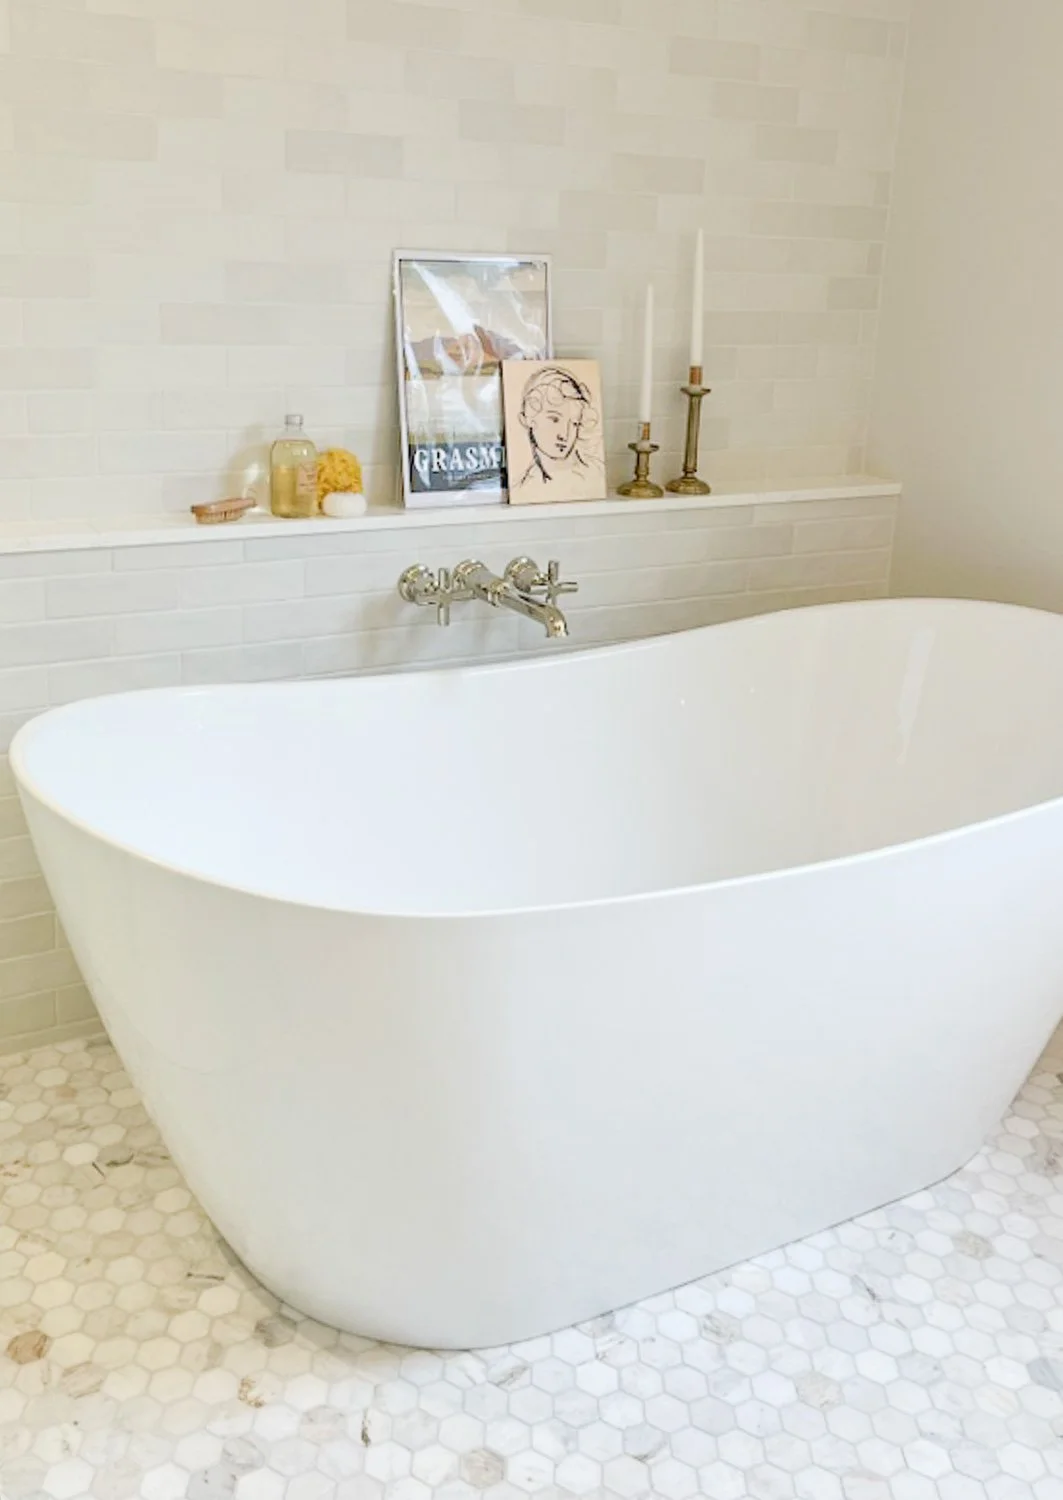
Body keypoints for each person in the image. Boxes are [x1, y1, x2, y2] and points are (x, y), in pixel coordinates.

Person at [517, 367, 604, 494]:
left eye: (575, 423)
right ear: (529, 419)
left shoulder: (595, 475)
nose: (565, 435)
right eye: (554, 420)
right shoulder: (523, 488)